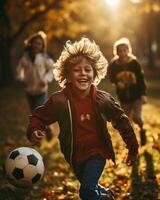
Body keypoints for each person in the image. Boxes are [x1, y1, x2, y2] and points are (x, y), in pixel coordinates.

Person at [26, 37, 139, 200]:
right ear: (68, 75)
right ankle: (106, 195)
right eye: (77, 70)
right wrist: (35, 129)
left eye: (87, 69)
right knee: (90, 186)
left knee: (86, 192)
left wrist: (133, 148)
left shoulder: (103, 100)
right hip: (74, 155)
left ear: (94, 74)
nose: (83, 73)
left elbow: (122, 122)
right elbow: (39, 116)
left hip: (97, 152)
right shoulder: (60, 100)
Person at [108, 37, 147, 146]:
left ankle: (142, 130)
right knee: (128, 123)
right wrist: (117, 82)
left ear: (128, 50)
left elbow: (141, 79)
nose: (122, 53)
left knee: (137, 117)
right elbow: (110, 76)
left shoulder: (134, 63)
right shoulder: (114, 64)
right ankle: (133, 143)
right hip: (124, 98)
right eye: (120, 51)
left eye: (124, 50)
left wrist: (143, 94)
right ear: (116, 52)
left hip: (137, 96)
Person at [16, 31, 54, 141]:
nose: (37, 45)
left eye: (40, 44)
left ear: (42, 46)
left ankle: (40, 135)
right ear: (30, 43)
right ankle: (46, 129)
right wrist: (22, 79)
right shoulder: (25, 58)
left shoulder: (44, 58)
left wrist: (46, 79)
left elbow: (51, 70)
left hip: (41, 90)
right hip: (29, 91)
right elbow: (18, 71)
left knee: (39, 113)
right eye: (35, 43)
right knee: (34, 114)